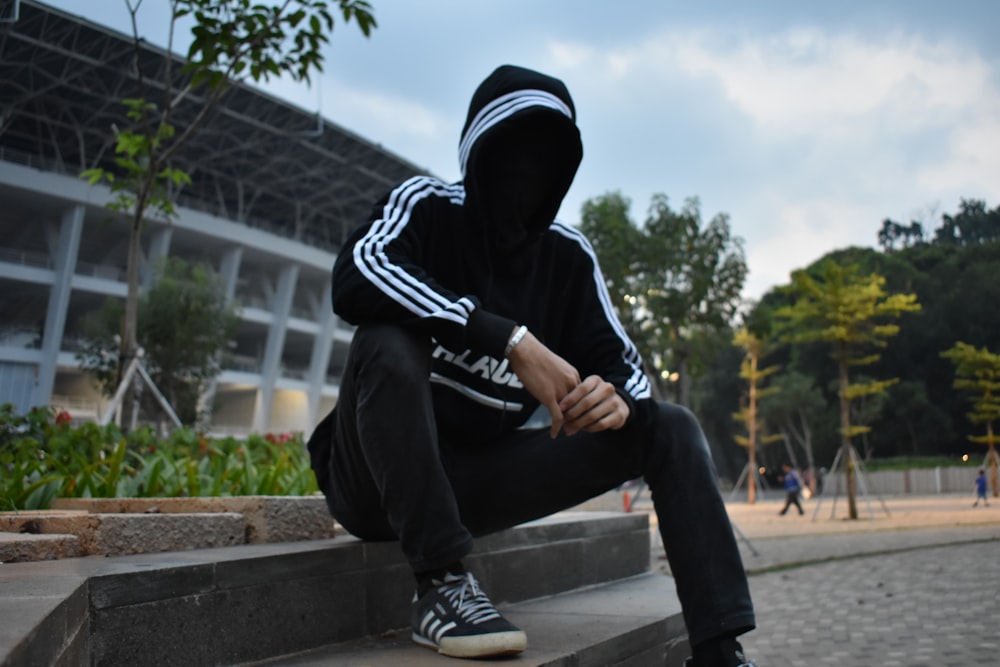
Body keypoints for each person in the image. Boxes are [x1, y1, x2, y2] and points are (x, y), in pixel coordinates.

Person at [307, 64, 756, 667]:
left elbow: (629, 369)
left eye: (547, 157)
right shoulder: (426, 208)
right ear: (478, 152)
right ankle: (441, 586)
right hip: (370, 481)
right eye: (513, 150)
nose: (528, 172)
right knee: (388, 338)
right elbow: (358, 271)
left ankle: (718, 650)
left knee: (669, 426)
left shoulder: (567, 259)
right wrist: (511, 340)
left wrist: (618, 398)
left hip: (479, 482)